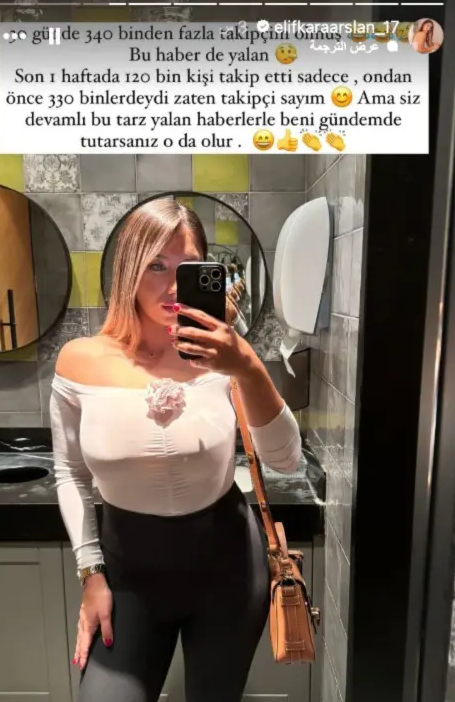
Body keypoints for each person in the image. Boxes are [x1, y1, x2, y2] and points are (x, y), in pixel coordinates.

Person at [50, 198, 302, 702]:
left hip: (228, 571)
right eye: (156, 266)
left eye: (188, 268)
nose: (171, 285)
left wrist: (246, 363)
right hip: (127, 577)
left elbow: (285, 459)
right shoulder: (80, 361)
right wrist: (91, 573)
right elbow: (69, 472)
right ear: (128, 270)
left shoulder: (223, 356)